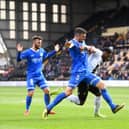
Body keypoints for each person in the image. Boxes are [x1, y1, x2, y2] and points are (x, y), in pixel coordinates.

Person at [42, 27, 124, 119]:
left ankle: (113, 107)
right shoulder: (73, 42)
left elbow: (86, 47)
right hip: (78, 72)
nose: (84, 38)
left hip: (86, 72)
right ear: (77, 36)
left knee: (102, 86)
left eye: (85, 36)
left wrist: (88, 47)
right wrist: (67, 45)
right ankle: (48, 108)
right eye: (83, 36)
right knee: (68, 93)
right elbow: (69, 45)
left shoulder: (82, 42)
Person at [16, 35, 60, 116]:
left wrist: (55, 51)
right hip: (31, 76)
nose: (40, 44)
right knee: (31, 93)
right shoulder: (28, 52)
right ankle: (27, 109)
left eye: (40, 42)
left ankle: (48, 109)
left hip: (40, 76)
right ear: (34, 42)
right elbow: (18, 60)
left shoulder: (42, 51)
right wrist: (19, 52)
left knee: (47, 91)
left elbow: (47, 56)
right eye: (38, 42)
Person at [67, 47, 113, 118]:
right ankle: (65, 95)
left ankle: (96, 113)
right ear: (105, 53)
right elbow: (92, 48)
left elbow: (93, 68)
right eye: (109, 55)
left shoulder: (102, 59)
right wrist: (90, 49)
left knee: (98, 94)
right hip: (84, 78)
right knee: (80, 102)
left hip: (90, 78)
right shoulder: (98, 52)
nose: (109, 57)